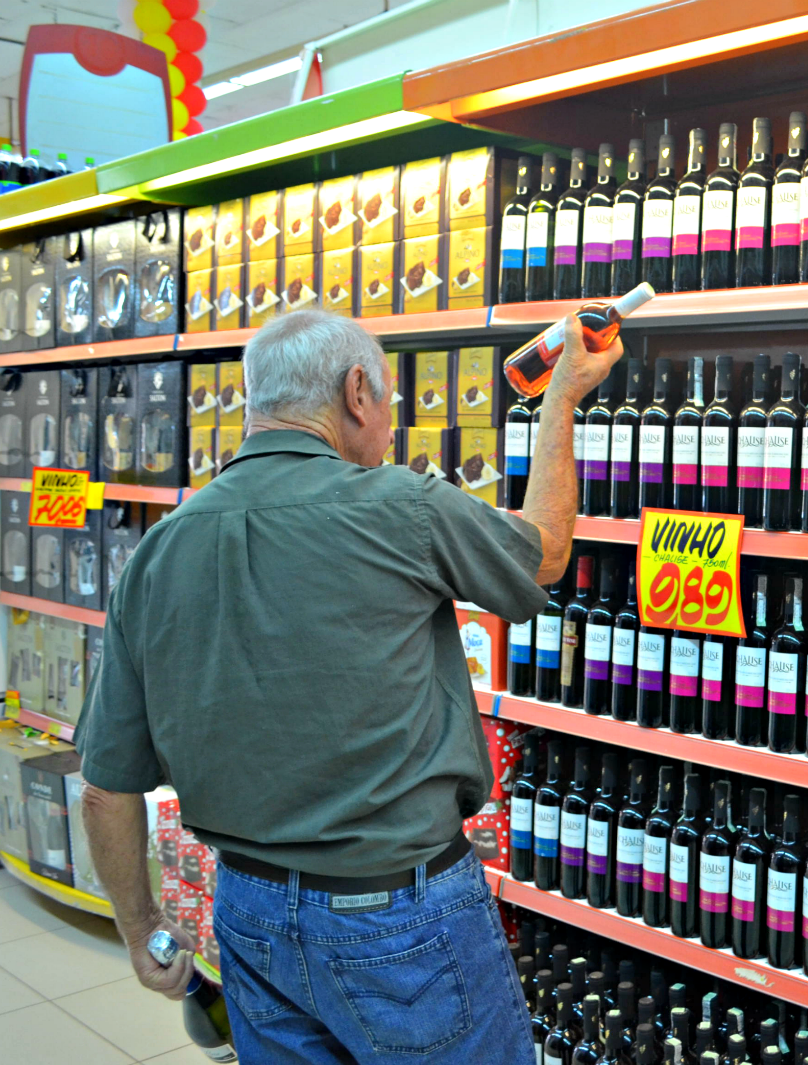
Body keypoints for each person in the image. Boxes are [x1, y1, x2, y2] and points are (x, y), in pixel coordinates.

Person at [76, 308, 620, 1063]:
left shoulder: (156, 551)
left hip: (248, 912)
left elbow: (105, 787)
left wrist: (140, 931)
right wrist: (559, 399)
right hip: (399, 915)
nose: (392, 430)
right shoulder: (402, 505)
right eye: (391, 406)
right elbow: (545, 555)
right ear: (356, 392)